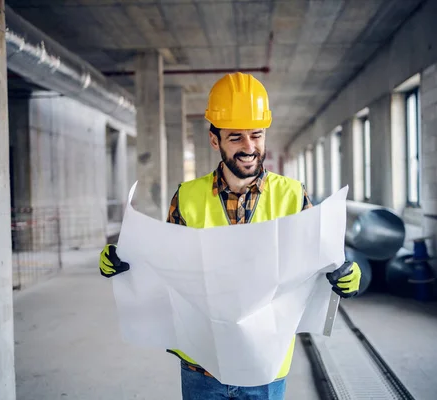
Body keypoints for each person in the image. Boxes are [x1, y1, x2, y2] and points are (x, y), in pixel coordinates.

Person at [99, 72, 362, 400]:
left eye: (256, 134)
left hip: (265, 365)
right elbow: (167, 267)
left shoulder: (293, 196)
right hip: (202, 366)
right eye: (236, 137)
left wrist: (345, 275)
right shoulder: (187, 196)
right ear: (215, 140)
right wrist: (125, 262)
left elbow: (319, 262)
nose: (249, 147)